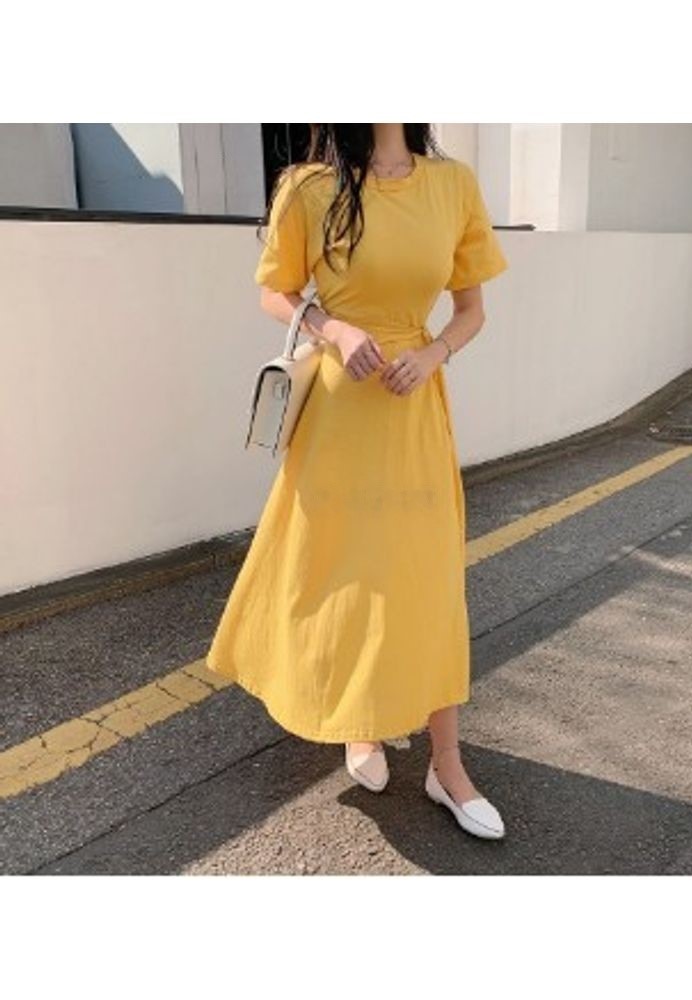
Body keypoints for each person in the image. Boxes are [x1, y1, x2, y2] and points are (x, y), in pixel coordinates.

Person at [206, 124, 509, 840]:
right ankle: (359, 722)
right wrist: (333, 328)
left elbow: (471, 310)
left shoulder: (451, 185)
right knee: (344, 573)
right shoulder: (308, 187)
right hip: (340, 415)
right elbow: (275, 291)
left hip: (412, 410)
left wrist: (433, 354)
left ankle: (446, 764)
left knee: (427, 580)